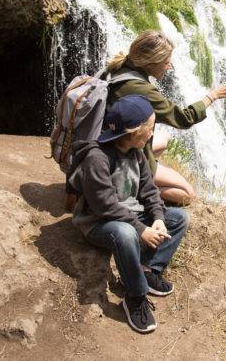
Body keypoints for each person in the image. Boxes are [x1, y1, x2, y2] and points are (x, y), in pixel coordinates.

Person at [67, 94, 188, 333]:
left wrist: (159, 219)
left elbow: (150, 191)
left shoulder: (137, 153)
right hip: (98, 222)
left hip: (129, 217)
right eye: (150, 128)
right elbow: (106, 206)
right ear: (133, 131)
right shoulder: (97, 158)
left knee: (180, 218)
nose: (152, 134)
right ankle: (135, 296)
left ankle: (148, 268)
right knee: (125, 234)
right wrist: (142, 229)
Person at [105, 30, 226, 205]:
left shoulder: (119, 69)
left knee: (165, 139)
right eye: (166, 62)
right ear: (151, 62)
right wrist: (212, 96)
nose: (169, 66)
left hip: (112, 140)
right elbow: (183, 118)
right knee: (188, 194)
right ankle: (135, 189)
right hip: (120, 154)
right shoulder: (141, 89)